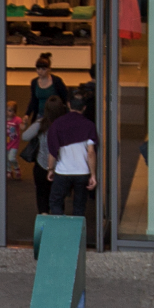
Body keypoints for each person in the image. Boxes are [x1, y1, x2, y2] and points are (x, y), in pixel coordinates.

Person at [43, 91, 98, 220]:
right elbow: (91, 152)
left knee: (55, 202)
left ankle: (61, 231)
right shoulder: (89, 125)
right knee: (79, 206)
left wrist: (50, 169)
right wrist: (93, 174)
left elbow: (53, 152)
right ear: (84, 107)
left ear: (68, 105)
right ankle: (77, 236)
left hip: (63, 172)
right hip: (82, 172)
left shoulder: (57, 124)